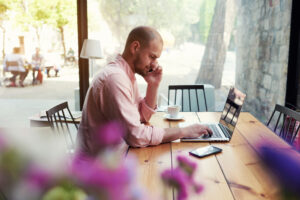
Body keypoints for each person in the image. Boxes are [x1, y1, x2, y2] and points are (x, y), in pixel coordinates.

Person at [77, 26, 212, 156]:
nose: (154, 64)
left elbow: (142, 116)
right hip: (97, 170)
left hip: (118, 157)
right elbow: (135, 136)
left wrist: (153, 85)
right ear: (135, 47)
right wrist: (184, 131)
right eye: (152, 57)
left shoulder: (126, 74)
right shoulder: (115, 78)